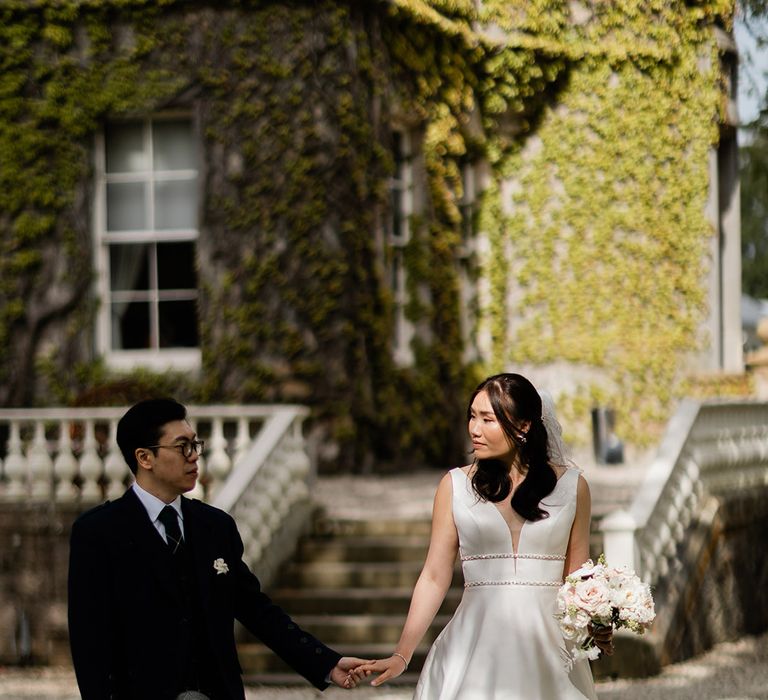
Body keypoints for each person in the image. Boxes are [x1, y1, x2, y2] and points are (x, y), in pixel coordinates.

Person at [68, 398, 366, 700]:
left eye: (196, 444)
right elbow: (89, 642)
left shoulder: (215, 526)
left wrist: (326, 662)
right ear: (145, 458)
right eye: (182, 446)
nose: (194, 456)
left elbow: (256, 610)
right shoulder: (98, 533)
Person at [353, 373, 612, 699]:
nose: (474, 429)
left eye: (487, 419)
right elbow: (434, 576)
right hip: (474, 647)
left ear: (523, 425)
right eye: (472, 417)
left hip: (550, 650)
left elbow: (577, 578)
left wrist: (598, 622)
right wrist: (402, 654)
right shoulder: (454, 486)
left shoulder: (574, 487)